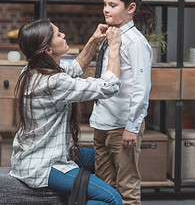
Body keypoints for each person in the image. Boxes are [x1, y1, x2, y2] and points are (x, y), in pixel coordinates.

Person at [10, 19, 123, 205]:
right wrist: (114, 46)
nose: (63, 35)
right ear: (48, 50)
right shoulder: (53, 82)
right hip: (43, 166)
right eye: (57, 34)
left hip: (35, 156)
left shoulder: (31, 69)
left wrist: (94, 40)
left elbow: (76, 67)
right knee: (112, 199)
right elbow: (109, 86)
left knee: (106, 156)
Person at [90, 0, 152, 205]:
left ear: (131, 8)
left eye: (112, 5)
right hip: (102, 122)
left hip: (122, 126)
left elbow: (141, 86)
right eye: (105, 3)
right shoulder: (111, 35)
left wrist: (132, 127)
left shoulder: (135, 42)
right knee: (105, 188)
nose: (106, 9)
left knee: (127, 188)